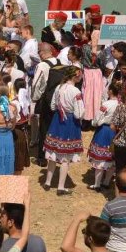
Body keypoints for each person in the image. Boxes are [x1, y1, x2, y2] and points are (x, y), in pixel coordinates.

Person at [43, 67, 84, 195]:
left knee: (53, 154)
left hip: (57, 121)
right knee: (65, 157)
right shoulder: (76, 91)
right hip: (70, 123)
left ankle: (48, 182)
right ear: (75, 76)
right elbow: (79, 113)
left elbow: (53, 106)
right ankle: (61, 187)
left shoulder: (59, 87)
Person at [87, 82, 119, 191]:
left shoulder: (106, 104)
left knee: (100, 159)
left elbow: (96, 120)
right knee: (111, 158)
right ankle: (106, 182)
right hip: (115, 132)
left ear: (110, 91)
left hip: (104, 131)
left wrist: (95, 123)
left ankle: (97, 184)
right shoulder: (120, 104)